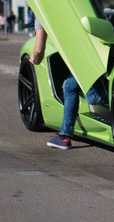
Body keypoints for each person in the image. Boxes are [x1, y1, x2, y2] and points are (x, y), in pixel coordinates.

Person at [30, 18, 108, 149]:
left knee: (90, 95)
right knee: (71, 86)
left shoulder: (42, 15)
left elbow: (39, 50)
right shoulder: (68, 6)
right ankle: (65, 135)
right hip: (95, 50)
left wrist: (34, 59)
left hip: (82, 58)